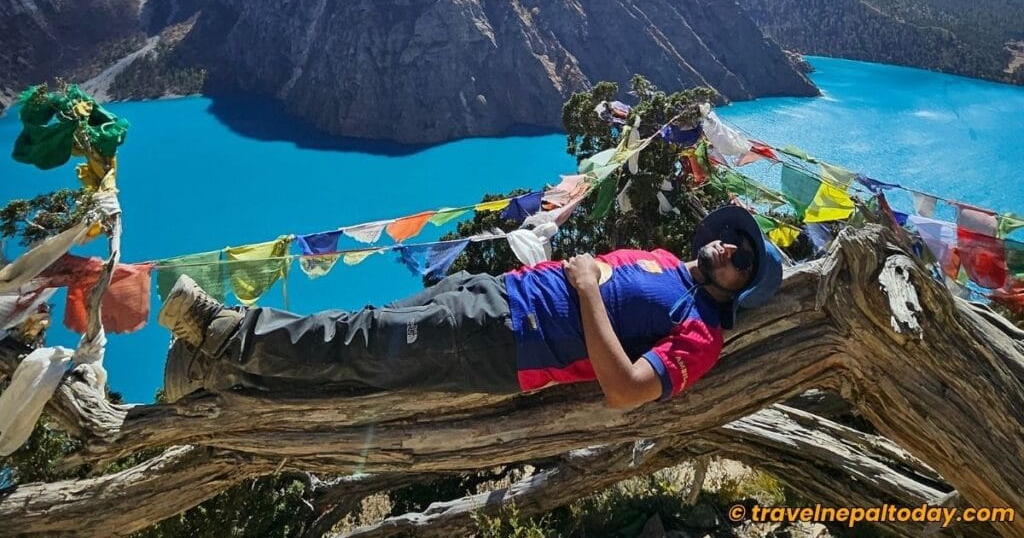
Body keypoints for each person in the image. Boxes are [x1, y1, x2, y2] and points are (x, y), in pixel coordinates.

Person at [158, 205, 783, 408]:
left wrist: (588, 289)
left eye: (742, 259)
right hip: (497, 295)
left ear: (742, 288)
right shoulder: (665, 262)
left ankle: (223, 333)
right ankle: (214, 372)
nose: (728, 248)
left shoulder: (700, 332)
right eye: (733, 239)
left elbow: (626, 390)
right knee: (364, 339)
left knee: (365, 340)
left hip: (511, 338)